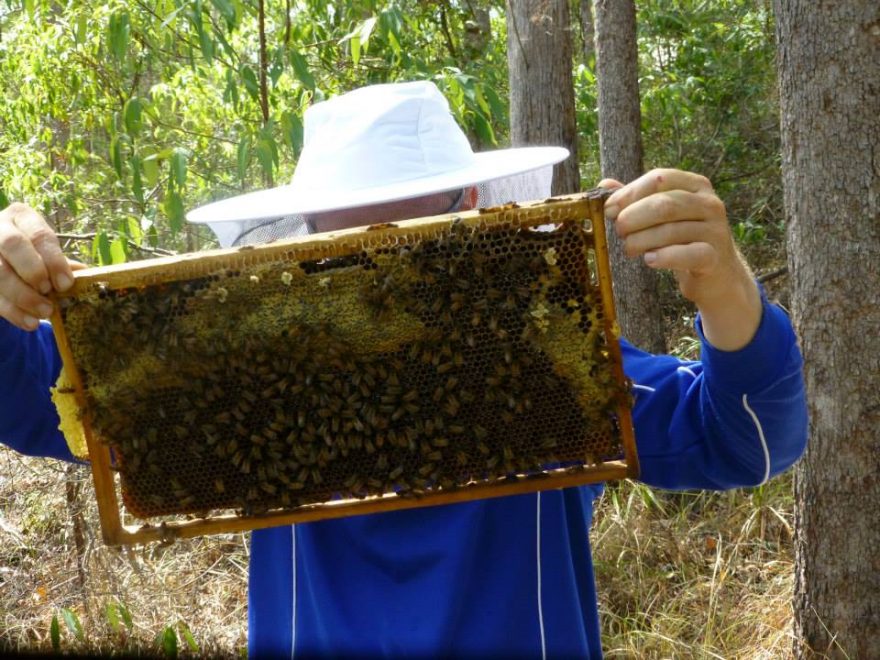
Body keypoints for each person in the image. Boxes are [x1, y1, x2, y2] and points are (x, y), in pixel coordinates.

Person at [0, 81, 807, 658]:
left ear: (470, 215)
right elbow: (28, 397)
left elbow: (747, 444)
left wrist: (727, 287)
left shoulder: (547, 368)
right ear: (303, 240)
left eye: (405, 235)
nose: (378, 268)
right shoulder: (237, 372)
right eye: (345, 247)